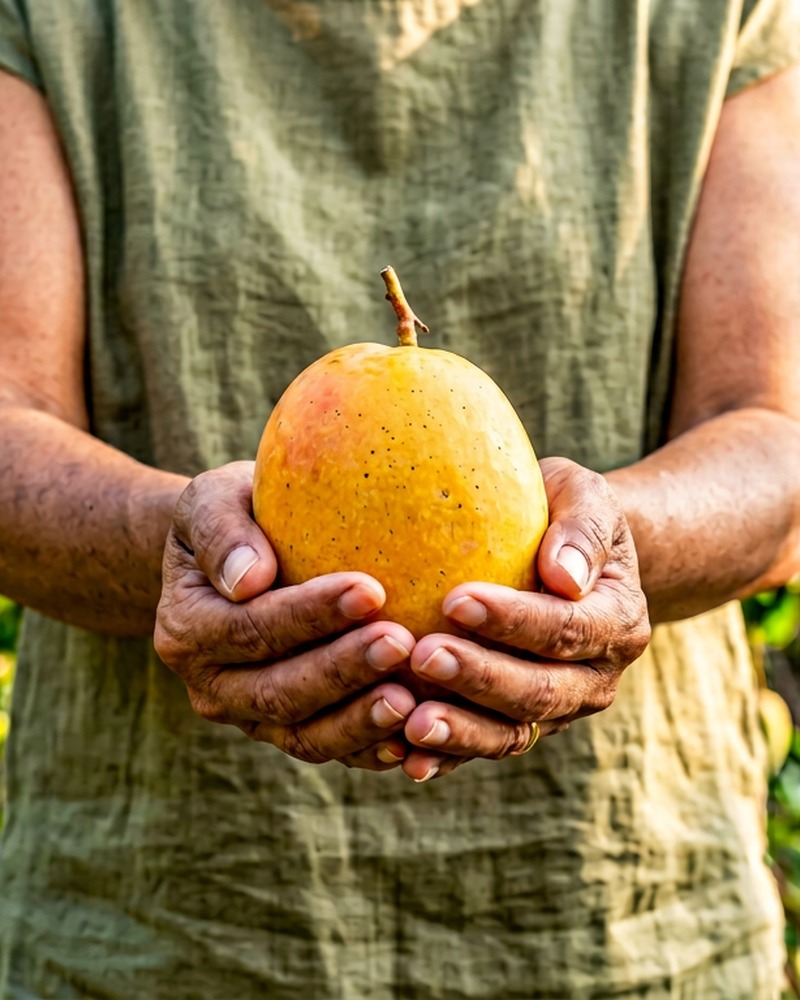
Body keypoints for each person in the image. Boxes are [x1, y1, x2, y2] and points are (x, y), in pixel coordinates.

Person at [1, 0, 799, 996]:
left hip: (617, 917)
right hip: (159, 923)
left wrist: (598, 555)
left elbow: (775, 429)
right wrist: (186, 552)